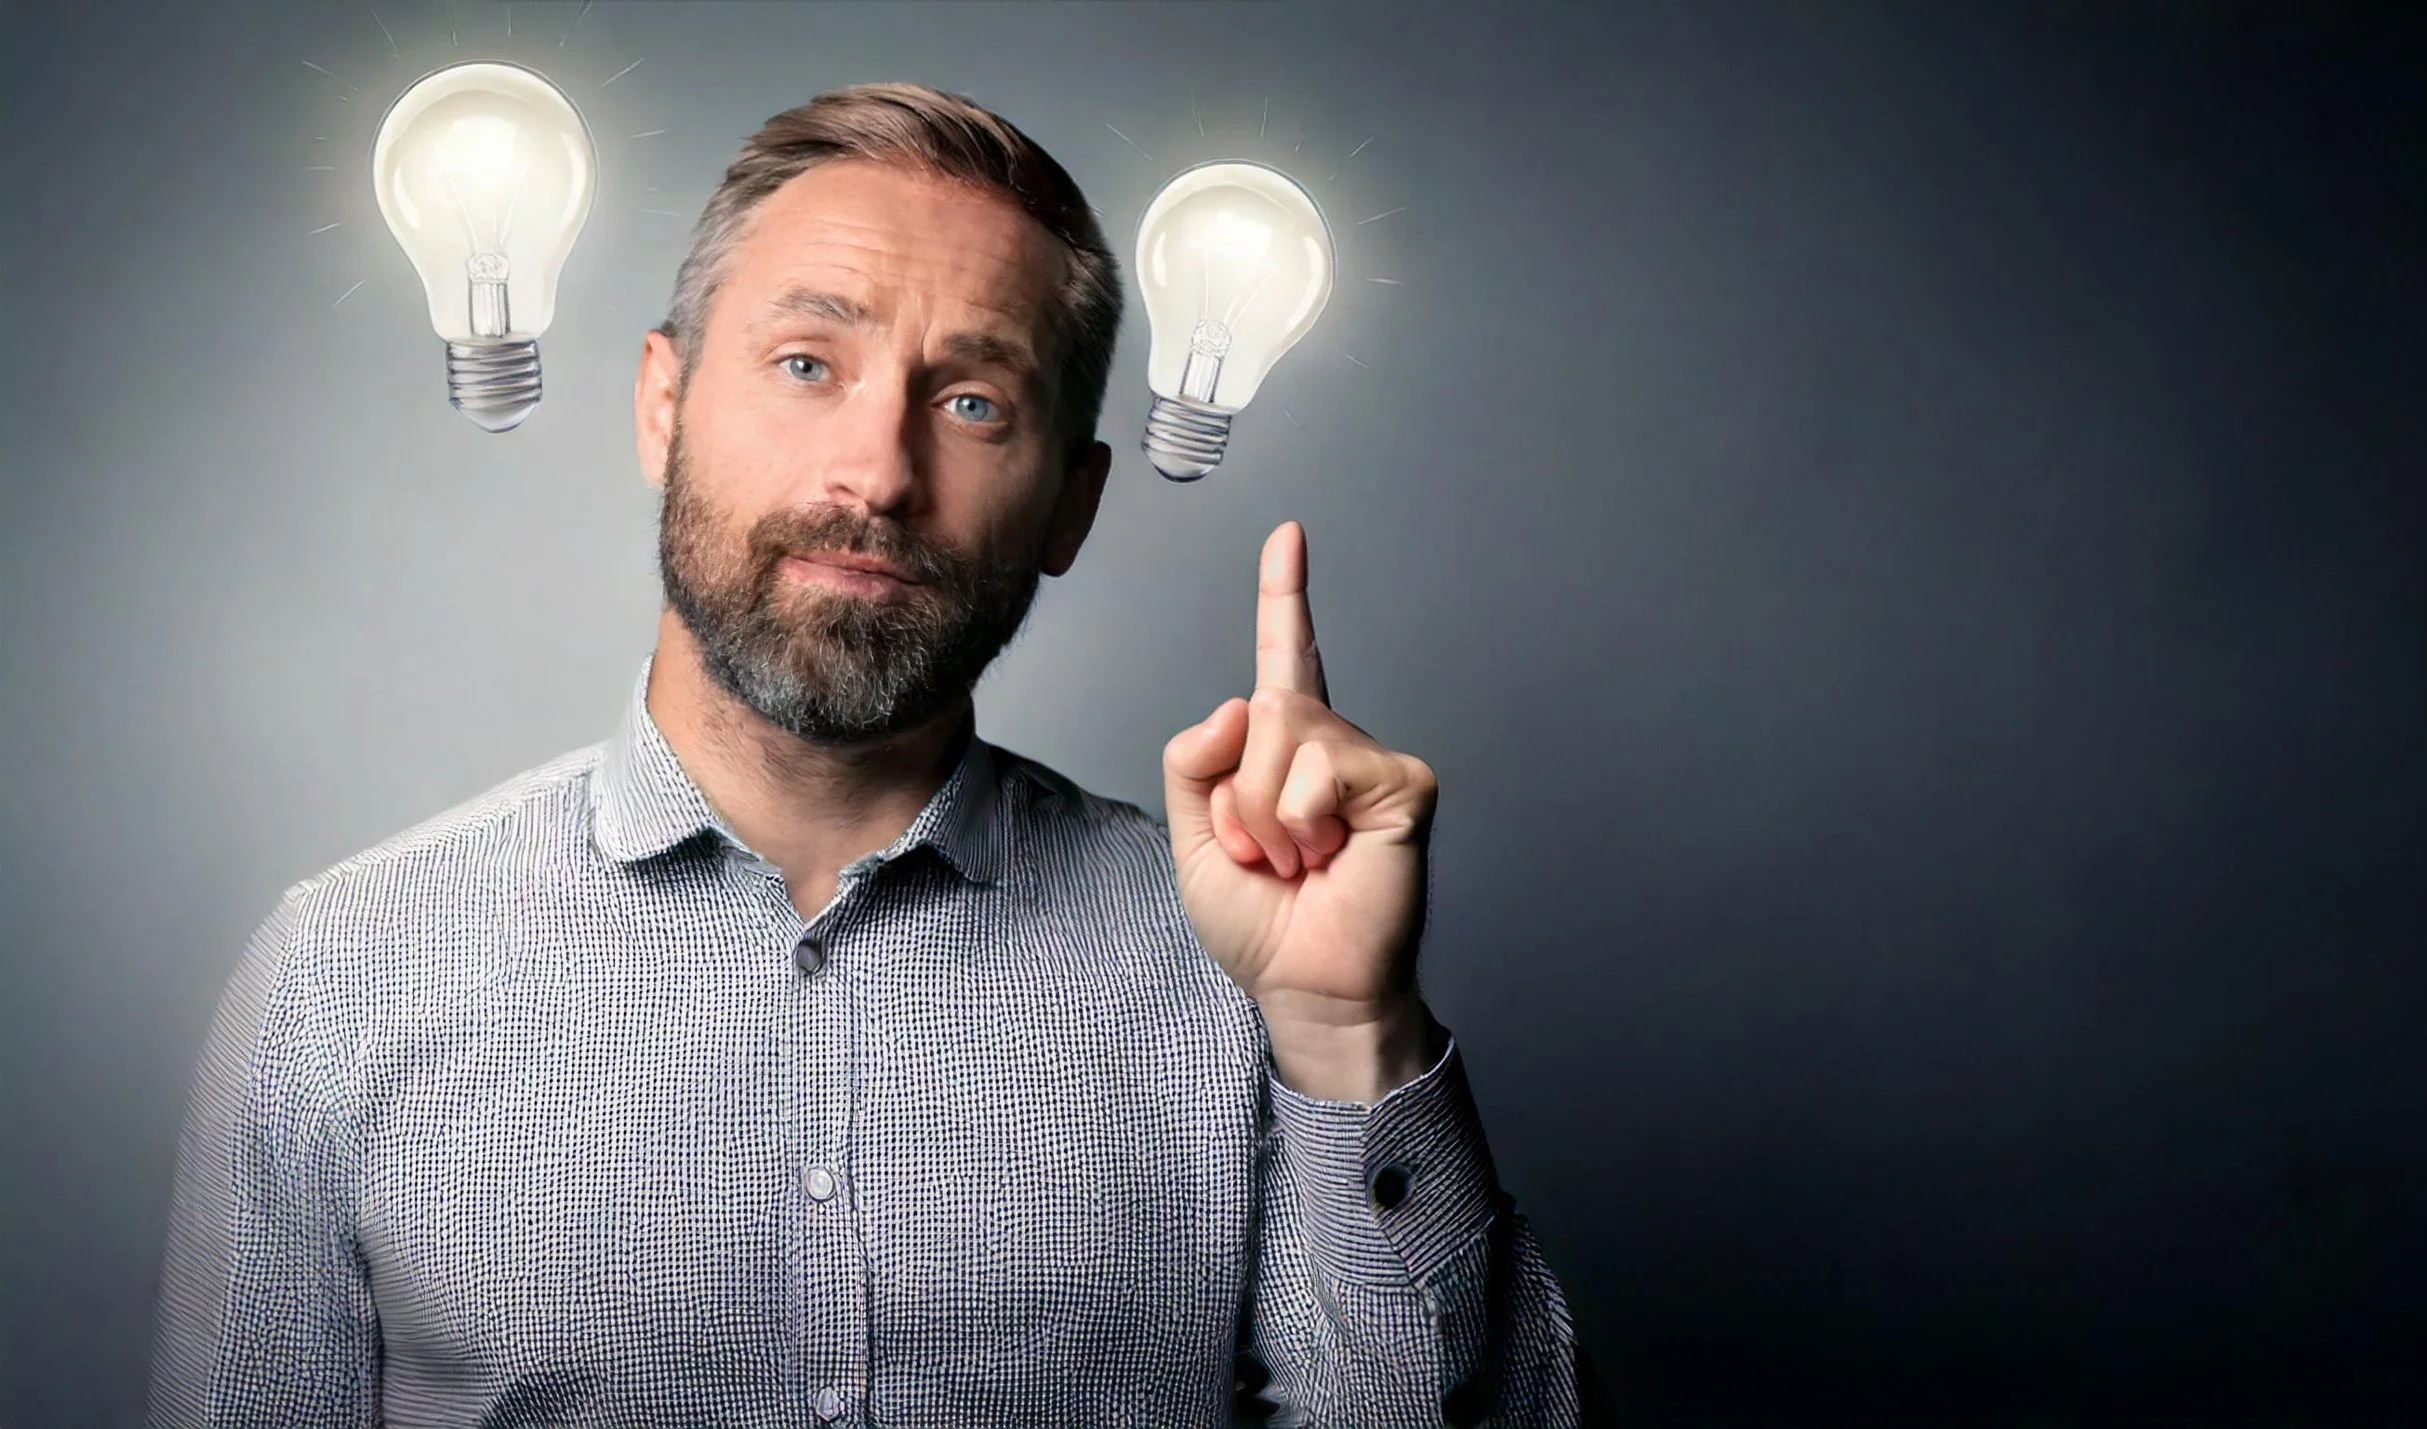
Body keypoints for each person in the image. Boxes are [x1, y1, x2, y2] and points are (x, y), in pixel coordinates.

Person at [145, 82, 1588, 1428]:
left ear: (1070, 507)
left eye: (974, 404)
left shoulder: (1243, 980)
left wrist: (1345, 1036)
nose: (878, 474)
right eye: (804, 362)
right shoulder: (342, 975)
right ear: (662, 403)